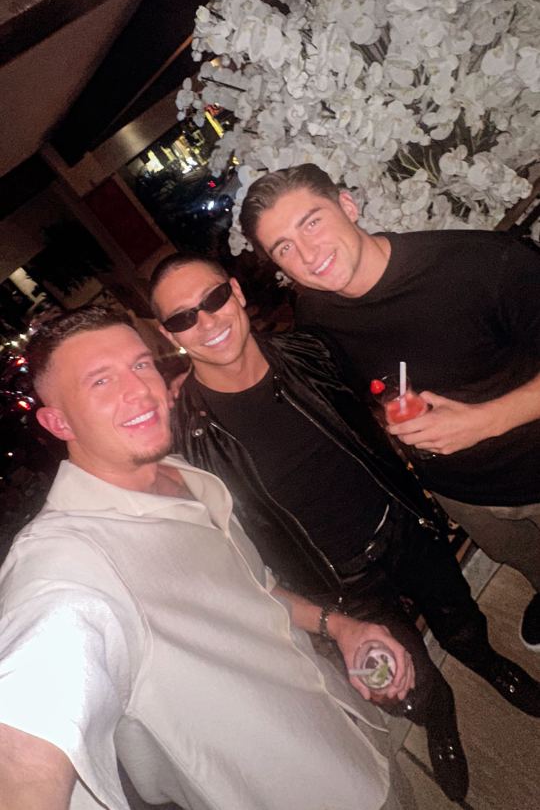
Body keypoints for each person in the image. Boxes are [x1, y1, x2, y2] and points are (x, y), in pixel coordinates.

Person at [150, 254, 540, 804]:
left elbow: (384, 385)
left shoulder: (312, 350)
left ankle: (489, 663)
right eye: (183, 317)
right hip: (335, 581)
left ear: (236, 292)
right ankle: (441, 717)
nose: (207, 321)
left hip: (400, 525)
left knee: (459, 617)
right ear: (170, 334)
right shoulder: (185, 438)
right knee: (407, 673)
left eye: (213, 299)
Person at [0, 305, 417, 810]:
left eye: (140, 364)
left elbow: (253, 589)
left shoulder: (183, 474)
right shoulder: (70, 560)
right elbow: (27, 737)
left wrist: (338, 627)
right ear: (57, 421)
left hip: (349, 727)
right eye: (100, 381)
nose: (138, 390)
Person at [240, 163, 540, 654]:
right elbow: (367, 392)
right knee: (523, 556)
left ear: (348, 206)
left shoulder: (482, 264)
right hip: (462, 495)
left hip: (533, 460)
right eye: (284, 248)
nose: (308, 254)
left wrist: (483, 421)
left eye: (312, 222)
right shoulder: (317, 315)